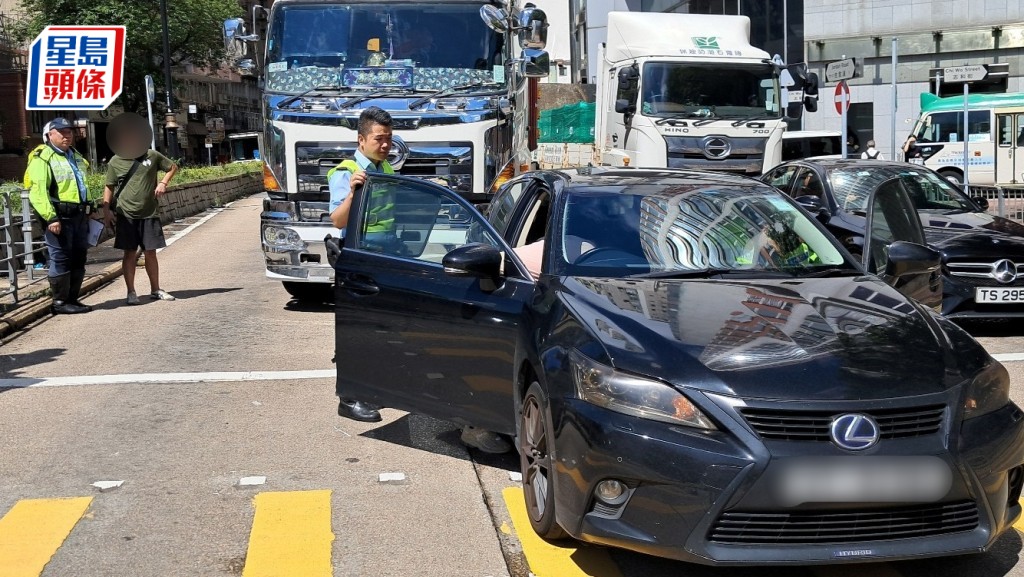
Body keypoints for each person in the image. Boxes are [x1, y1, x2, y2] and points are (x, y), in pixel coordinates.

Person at [102, 119, 179, 305]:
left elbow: (173, 167)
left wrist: (163, 182)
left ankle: (155, 289)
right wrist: (106, 211)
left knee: (151, 252)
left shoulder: (151, 155)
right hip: (126, 214)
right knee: (129, 253)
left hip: (149, 213)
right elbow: (109, 186)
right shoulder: (116, 161)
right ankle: (131, 292)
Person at [26, 117, 98, 315]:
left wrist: (91, 206)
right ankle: (59, 302)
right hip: (59, 216)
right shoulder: (43, 157)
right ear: (50, 135)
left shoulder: (73, 155)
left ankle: (72, 299)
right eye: (62, 132)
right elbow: (38, 191)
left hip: (79, 215)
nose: (67, 136)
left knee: (78, 257)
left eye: (69, 132)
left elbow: (82, 184)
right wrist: (51, 218)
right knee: (60, 258)